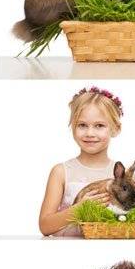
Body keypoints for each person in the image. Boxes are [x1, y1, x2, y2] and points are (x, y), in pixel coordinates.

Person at [39, 86, 123, 238]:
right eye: (82, 125)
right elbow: (45, 226)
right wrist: (78, 209)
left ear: (116, 129)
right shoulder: (61, 172)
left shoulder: (123, 175)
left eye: (99, 126)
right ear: (73, 127)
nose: (90, 133)